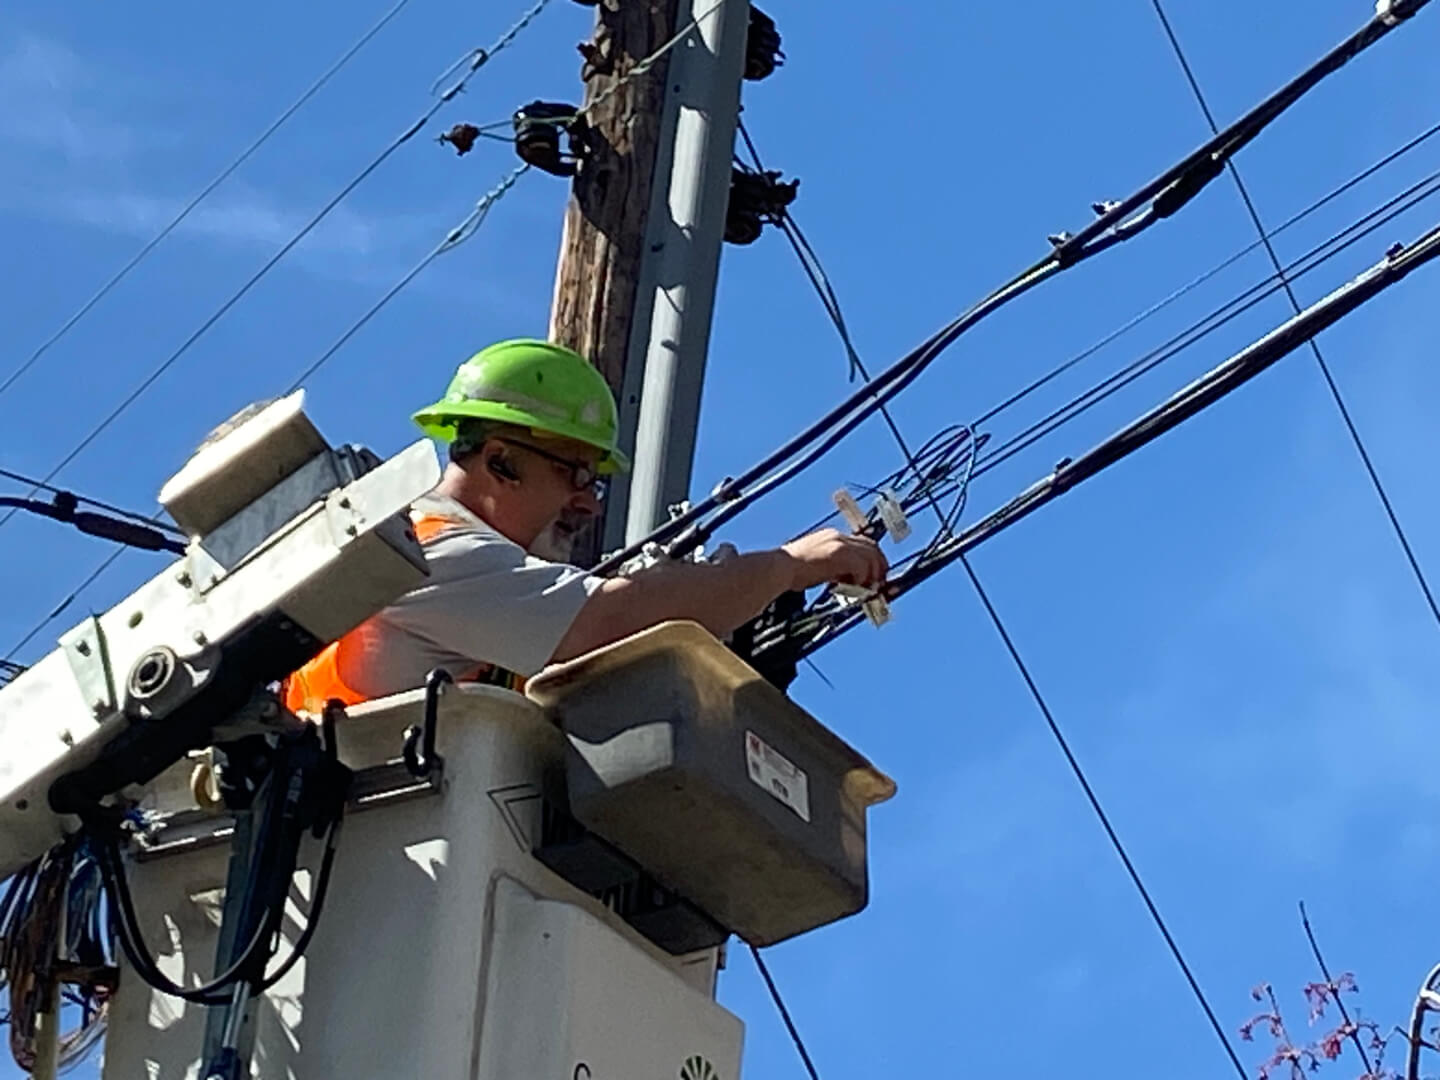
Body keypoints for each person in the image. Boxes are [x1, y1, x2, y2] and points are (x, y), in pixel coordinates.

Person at [283, 339, 886, 713]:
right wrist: (787, 567)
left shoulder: (468, 570)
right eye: (576, 475)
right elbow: (612, 618)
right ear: (500, 461)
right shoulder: (432, 552)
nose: (589, 505)